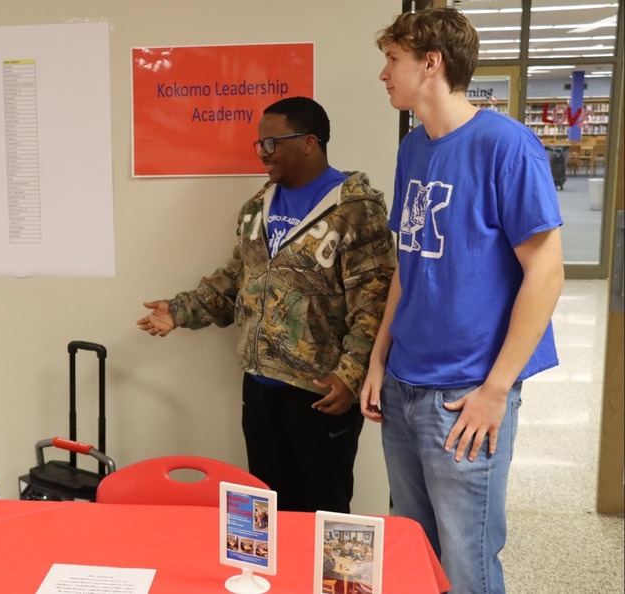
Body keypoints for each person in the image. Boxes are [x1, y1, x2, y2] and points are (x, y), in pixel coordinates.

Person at [363, 8, 564, 594]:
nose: (383, 74)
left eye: (392, 60)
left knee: (466, 565)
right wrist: (379, 359)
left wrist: (496, 391)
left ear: (431, 63)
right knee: (413, 550)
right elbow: (409, 260)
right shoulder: (414, 149)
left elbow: (545, 274)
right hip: (404, 384)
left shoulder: (507, 145)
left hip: (464, 394)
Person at [137, 97, 396, 513]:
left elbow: (375, 303)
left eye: (272, 143)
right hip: (260, 388)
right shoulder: (259, 207)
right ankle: (269, 581)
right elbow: (237, 280)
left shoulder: (355, 211)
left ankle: (318, 583)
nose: (263, 154)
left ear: (310, 142)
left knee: (323, 510)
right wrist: (179, 310)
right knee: (268, 511)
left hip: (321, 392)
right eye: (260, 145)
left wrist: (350, 376)